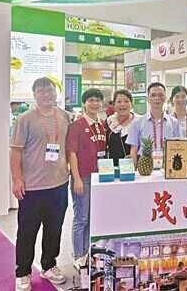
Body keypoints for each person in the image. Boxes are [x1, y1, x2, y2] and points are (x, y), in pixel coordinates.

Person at [10, 77, 70, 291]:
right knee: (27, 231)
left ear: (56, 92)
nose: (47, 94)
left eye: (50, 90)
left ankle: (49, 265)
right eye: (42, 90)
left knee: (54, 229)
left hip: (59, 184)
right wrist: (17, 179)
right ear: (34, 94)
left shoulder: (65, 116)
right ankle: (23, 272)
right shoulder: (25, 119)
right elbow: (15, 151)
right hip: (32, 187)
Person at [66, 88, 107, 271]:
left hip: (99, 177)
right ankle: (78, 255)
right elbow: (72, 153)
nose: (95, 104)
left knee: (92, 218)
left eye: (98, 100)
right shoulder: (77, 125)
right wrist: (76, 178)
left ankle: (87, 253)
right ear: (84, 103)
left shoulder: (102, 125)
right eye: (91, 100)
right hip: (82, 177)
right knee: (81, 218)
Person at [127, 82, 180, 166]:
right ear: (148, 99)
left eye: (160, 95)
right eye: (153, 95)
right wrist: (135, 169)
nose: (157, 98)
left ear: (165, 98)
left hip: (168, 165)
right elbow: (133, 150)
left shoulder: (174, 123)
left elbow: (179, 147)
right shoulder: (137, 123)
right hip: (144, 165)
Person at [106, 89, 136, 165]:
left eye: (126, 101)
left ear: (131, 104)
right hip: (112, 168)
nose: (122, 104)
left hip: (135, 167)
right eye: (119, 102)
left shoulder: (138, 122)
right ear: (114, 105)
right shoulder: (108, 122)